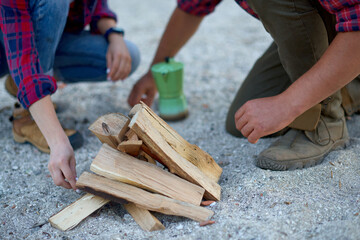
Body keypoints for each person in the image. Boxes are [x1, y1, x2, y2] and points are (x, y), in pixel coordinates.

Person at [128, 0, 360, 170]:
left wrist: (288, 104)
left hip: (352, 30)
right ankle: (350, 80)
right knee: (243, 123)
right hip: (335, 27)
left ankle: (325, 123)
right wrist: (153, 72)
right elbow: (192, 7)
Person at [0, 0, 140, 190]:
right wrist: (57, 142)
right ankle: (26, 112)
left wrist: (115, 36)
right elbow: (22, 56)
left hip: (36, 42)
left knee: (130, 54)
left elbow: (98, 5)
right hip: (9, 45)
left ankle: (30, 89)